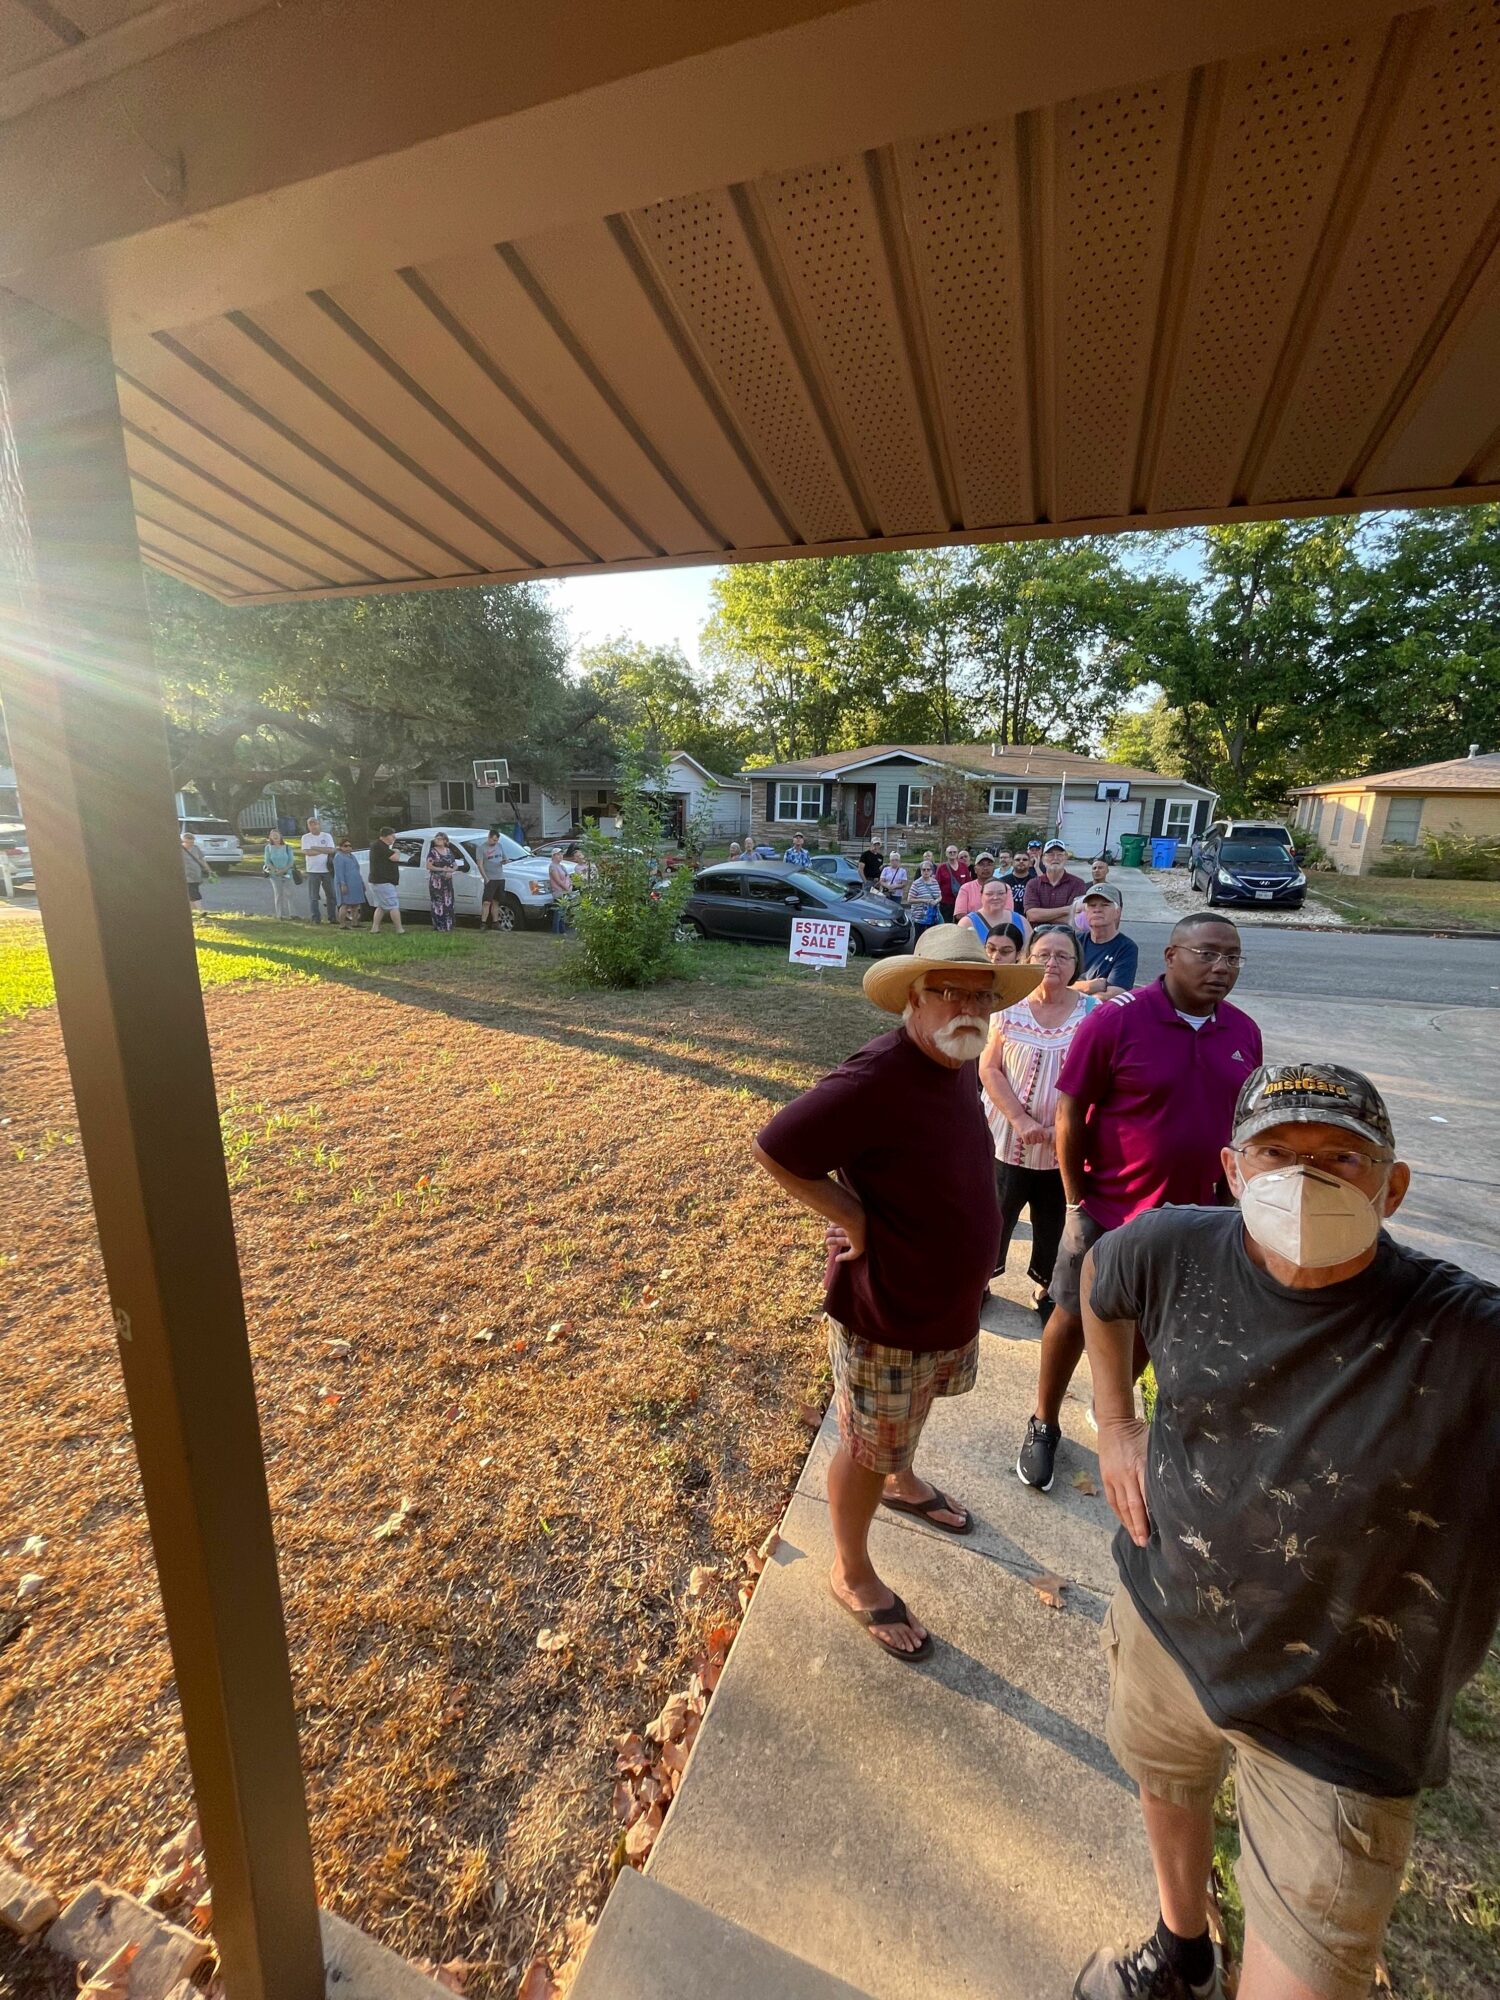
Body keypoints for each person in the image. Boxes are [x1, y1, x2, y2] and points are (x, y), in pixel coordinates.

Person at [1075, 1063, 1500, 2000]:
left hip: (1335, 1730)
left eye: (1340, 1159)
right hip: (1166, 1626)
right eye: (1276, 1153)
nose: (1304, 1180)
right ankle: (1183, 1946)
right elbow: (1100, 1279)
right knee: (1166, 1782)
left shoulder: (1465, 1339)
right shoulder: (1176, 1248)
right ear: (1233, 1170)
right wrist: (1115, 1423)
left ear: (1392, 1187)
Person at [754, 926, 1040, 1660]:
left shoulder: (956, 1056)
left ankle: (901, 1479)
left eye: (981, 995)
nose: (969, 1008)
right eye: (950, 992)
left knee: (902, 1424)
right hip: (889, 1308)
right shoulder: (876, 1077)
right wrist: (852, 1216)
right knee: (864, 1444)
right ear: (914, 997)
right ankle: (850, 1572)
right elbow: (776, 1146)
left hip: (945, 1301)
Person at [1016, 913, 1262, 1494]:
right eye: (1208, 954)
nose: (1222, 968)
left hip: (1196, 1218)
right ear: (1171, 956)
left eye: (1233, 957)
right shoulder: (1116, 1020)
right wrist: (1075, 1200)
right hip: (1108, 1208)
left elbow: (1240, 1123)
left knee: (1153, 1324)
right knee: (1071, 1315)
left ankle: (1112, 1408)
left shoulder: (1243, 1032)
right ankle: (1044, 1421)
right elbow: (1070, 1111)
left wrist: (1230, 1200)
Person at [980, 926, 1098, 1322]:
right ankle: (980, 1283)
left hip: (1064, 1144)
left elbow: (1100, 1077)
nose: (1052, 963)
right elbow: (989, 1068)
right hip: (1006, 1138)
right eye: (1043, 954)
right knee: (995, 1215)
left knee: (1054, 1220)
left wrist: (1059, 1129)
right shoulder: (1007, 1007)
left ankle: (1046, 1289)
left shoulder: (1092, 1014)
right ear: (1027, 960)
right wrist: (1020, 1119)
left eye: (1063, 956)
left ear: (1076, 964)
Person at [1074, 883, 1139, 996]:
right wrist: (1090, 986)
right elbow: (1053, 985)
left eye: (1104, 905)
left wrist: (1070, 990)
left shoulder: (1126, 948)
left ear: (1117, 912)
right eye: (1092, 905)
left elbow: (1113, 994)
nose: (1097, 910)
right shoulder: (1073, 941)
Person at [1022, 838, 1087, 919]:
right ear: (1043, 859)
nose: (1055, 858)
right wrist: (1069, 909)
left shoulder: (1078, 884)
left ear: (1066, 858)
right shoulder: (1033, 884)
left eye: (1060, 854)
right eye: (1051, 854)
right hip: (1039, 928)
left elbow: (1077, 917)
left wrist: (1042, 917)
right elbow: (1032, 915)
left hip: (1066, 928)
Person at [958, 876, 1018, 947]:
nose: (995, 897)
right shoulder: (967, 923)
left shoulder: (1021, 921)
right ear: (981, 895)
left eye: (1001, 893)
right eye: (989, 894)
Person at [366, 827, 405, 934]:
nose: (394, 838)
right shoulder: (379, 846)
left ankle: (375, 928)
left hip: (378, 881)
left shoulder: (379, 846)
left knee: (381, 906)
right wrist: (397, 851)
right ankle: (399, 929)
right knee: (393, 905)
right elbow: (394, 858)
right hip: (383, 882)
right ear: (386, 836)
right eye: (392, 836)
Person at [301, 816, 337, 923]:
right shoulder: (305, 837)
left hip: (327, 869)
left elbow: (331, 850)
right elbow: (307, 852)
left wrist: (315, 848)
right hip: (313, 870)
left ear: (319, 825)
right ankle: (316, 918)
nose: (313, 827)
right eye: (311, 825)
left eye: (315, 824)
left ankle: (332, 917)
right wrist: (323, 850)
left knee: (331, 895)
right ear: (308, 826)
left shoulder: (327, 836)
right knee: (314, 896)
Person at [477, 826, 509, 930]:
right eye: (494, 840)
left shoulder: (499, 846)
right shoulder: (481, 848)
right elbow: (480, 864)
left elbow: (505, 858)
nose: (495, 842)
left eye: (497, 840)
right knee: (487, 902)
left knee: (496, 901)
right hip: (490, 878)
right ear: (489, 837)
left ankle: (495, 922)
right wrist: (485, 878)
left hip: (500, 877)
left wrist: (504, 861)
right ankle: (483, 922)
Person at [426, 832, 459, 931]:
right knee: (438, 902)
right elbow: (429, 866)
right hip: (437, 881)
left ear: (445, 840)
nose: (437, 840)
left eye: (439, 839)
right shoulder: (433, 852)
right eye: (436, 839)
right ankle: (439, 926)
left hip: (447, 881)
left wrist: (452, 870)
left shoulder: (448, 851)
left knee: (448, 901)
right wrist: (442, 869)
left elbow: (455, 864)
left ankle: (449, 925)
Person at [262, 828, 297, 919]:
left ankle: (293, 914)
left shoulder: (287, 847)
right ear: (270, 837)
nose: (275, 837)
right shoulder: (268, 848)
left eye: (276, 835)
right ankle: (280, 915)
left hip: (287, 873)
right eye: (273, 835)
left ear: (280, 836)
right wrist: (275, 870)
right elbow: (267, 862)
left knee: (290, 894)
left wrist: (284, 870)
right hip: (274, 875)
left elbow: (291, 861)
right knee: (278, 894)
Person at [953, 850, 1000, 918]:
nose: (985, 868)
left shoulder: (1004, 888)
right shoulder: (965, 888)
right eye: (981, 865)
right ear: (975, 869)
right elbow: (960, 914)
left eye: (989, 864)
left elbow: (1008, 913)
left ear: (994, 868)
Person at [1073, 856, 1113, 930]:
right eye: (1094, 868)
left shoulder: (1112, 891)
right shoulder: (1082, 887)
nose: (1097, 870)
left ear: (1107, 871)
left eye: (1100, 868)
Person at [333, 838, 366, 926]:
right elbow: (339, 872)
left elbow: (357, 869)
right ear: (341, 847)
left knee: (356, 904)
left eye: (350, 846)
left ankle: (355, 922)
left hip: (355, 883)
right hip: (346, 883)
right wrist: (343, 884)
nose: (348, 848)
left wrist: (361, 882)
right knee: (345, 904)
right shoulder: (338, 857)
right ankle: (342, 924)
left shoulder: (352, 856)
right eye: (346, 846)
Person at [904, 858, 944, 929]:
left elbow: (940, 896)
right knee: (920, 935)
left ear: (931, 871)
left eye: (928, 869)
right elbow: (909, 900)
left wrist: (936, 901)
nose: (926, 871)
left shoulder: (935, 882)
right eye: (924, 869)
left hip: (933, 917)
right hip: (920, 918)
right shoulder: (916, 884)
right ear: (921, 871)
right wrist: (925, 900)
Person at [936, 845, 970, 922]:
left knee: (960, 924)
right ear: (946, 854)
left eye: (954, 852)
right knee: (947, 925)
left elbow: (968, 883)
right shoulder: (941, 867)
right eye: (950, 852)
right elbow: (937, 884)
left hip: (961, 902)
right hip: (946, 903)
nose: (952, 854)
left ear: (957, 853)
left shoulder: (963, 866)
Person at [181, 833, 207, 918]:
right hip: (186, 875)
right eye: (188, 842)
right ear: (183, 841)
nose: (190, 844)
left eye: (192, 842)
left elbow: (202, 860)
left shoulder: (196, 848)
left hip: (196, 874)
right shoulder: (179, 849)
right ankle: (201, 911)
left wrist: (209, 870)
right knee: (193, 892)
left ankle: (190, 912)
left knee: (191, 893)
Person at [548, 845, 572, 935]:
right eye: (558, 854)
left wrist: (569, 886)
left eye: (561, 854)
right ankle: (556, 932)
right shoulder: (552, 866)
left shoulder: (562, 866)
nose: (560, 856)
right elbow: (557, 880)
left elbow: (567, 877)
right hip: (558, 892)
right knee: (558, 913)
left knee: (563, 913)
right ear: (553, 856)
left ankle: (562, 931)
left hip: (565, 891)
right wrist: (566, 888)